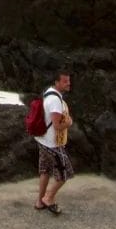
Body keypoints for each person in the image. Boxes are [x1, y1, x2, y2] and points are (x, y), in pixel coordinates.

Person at [34, 70, 74, 215]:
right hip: (53, 144)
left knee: (44, 171)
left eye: (68, 80)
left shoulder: (49, 92)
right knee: (65, 173)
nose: (68, 83)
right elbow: (57, 126)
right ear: (57, 82)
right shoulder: (55, 101)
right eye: (65, 81)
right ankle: (48, 198)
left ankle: (39, 202)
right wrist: (69, 123)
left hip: (42, 140)